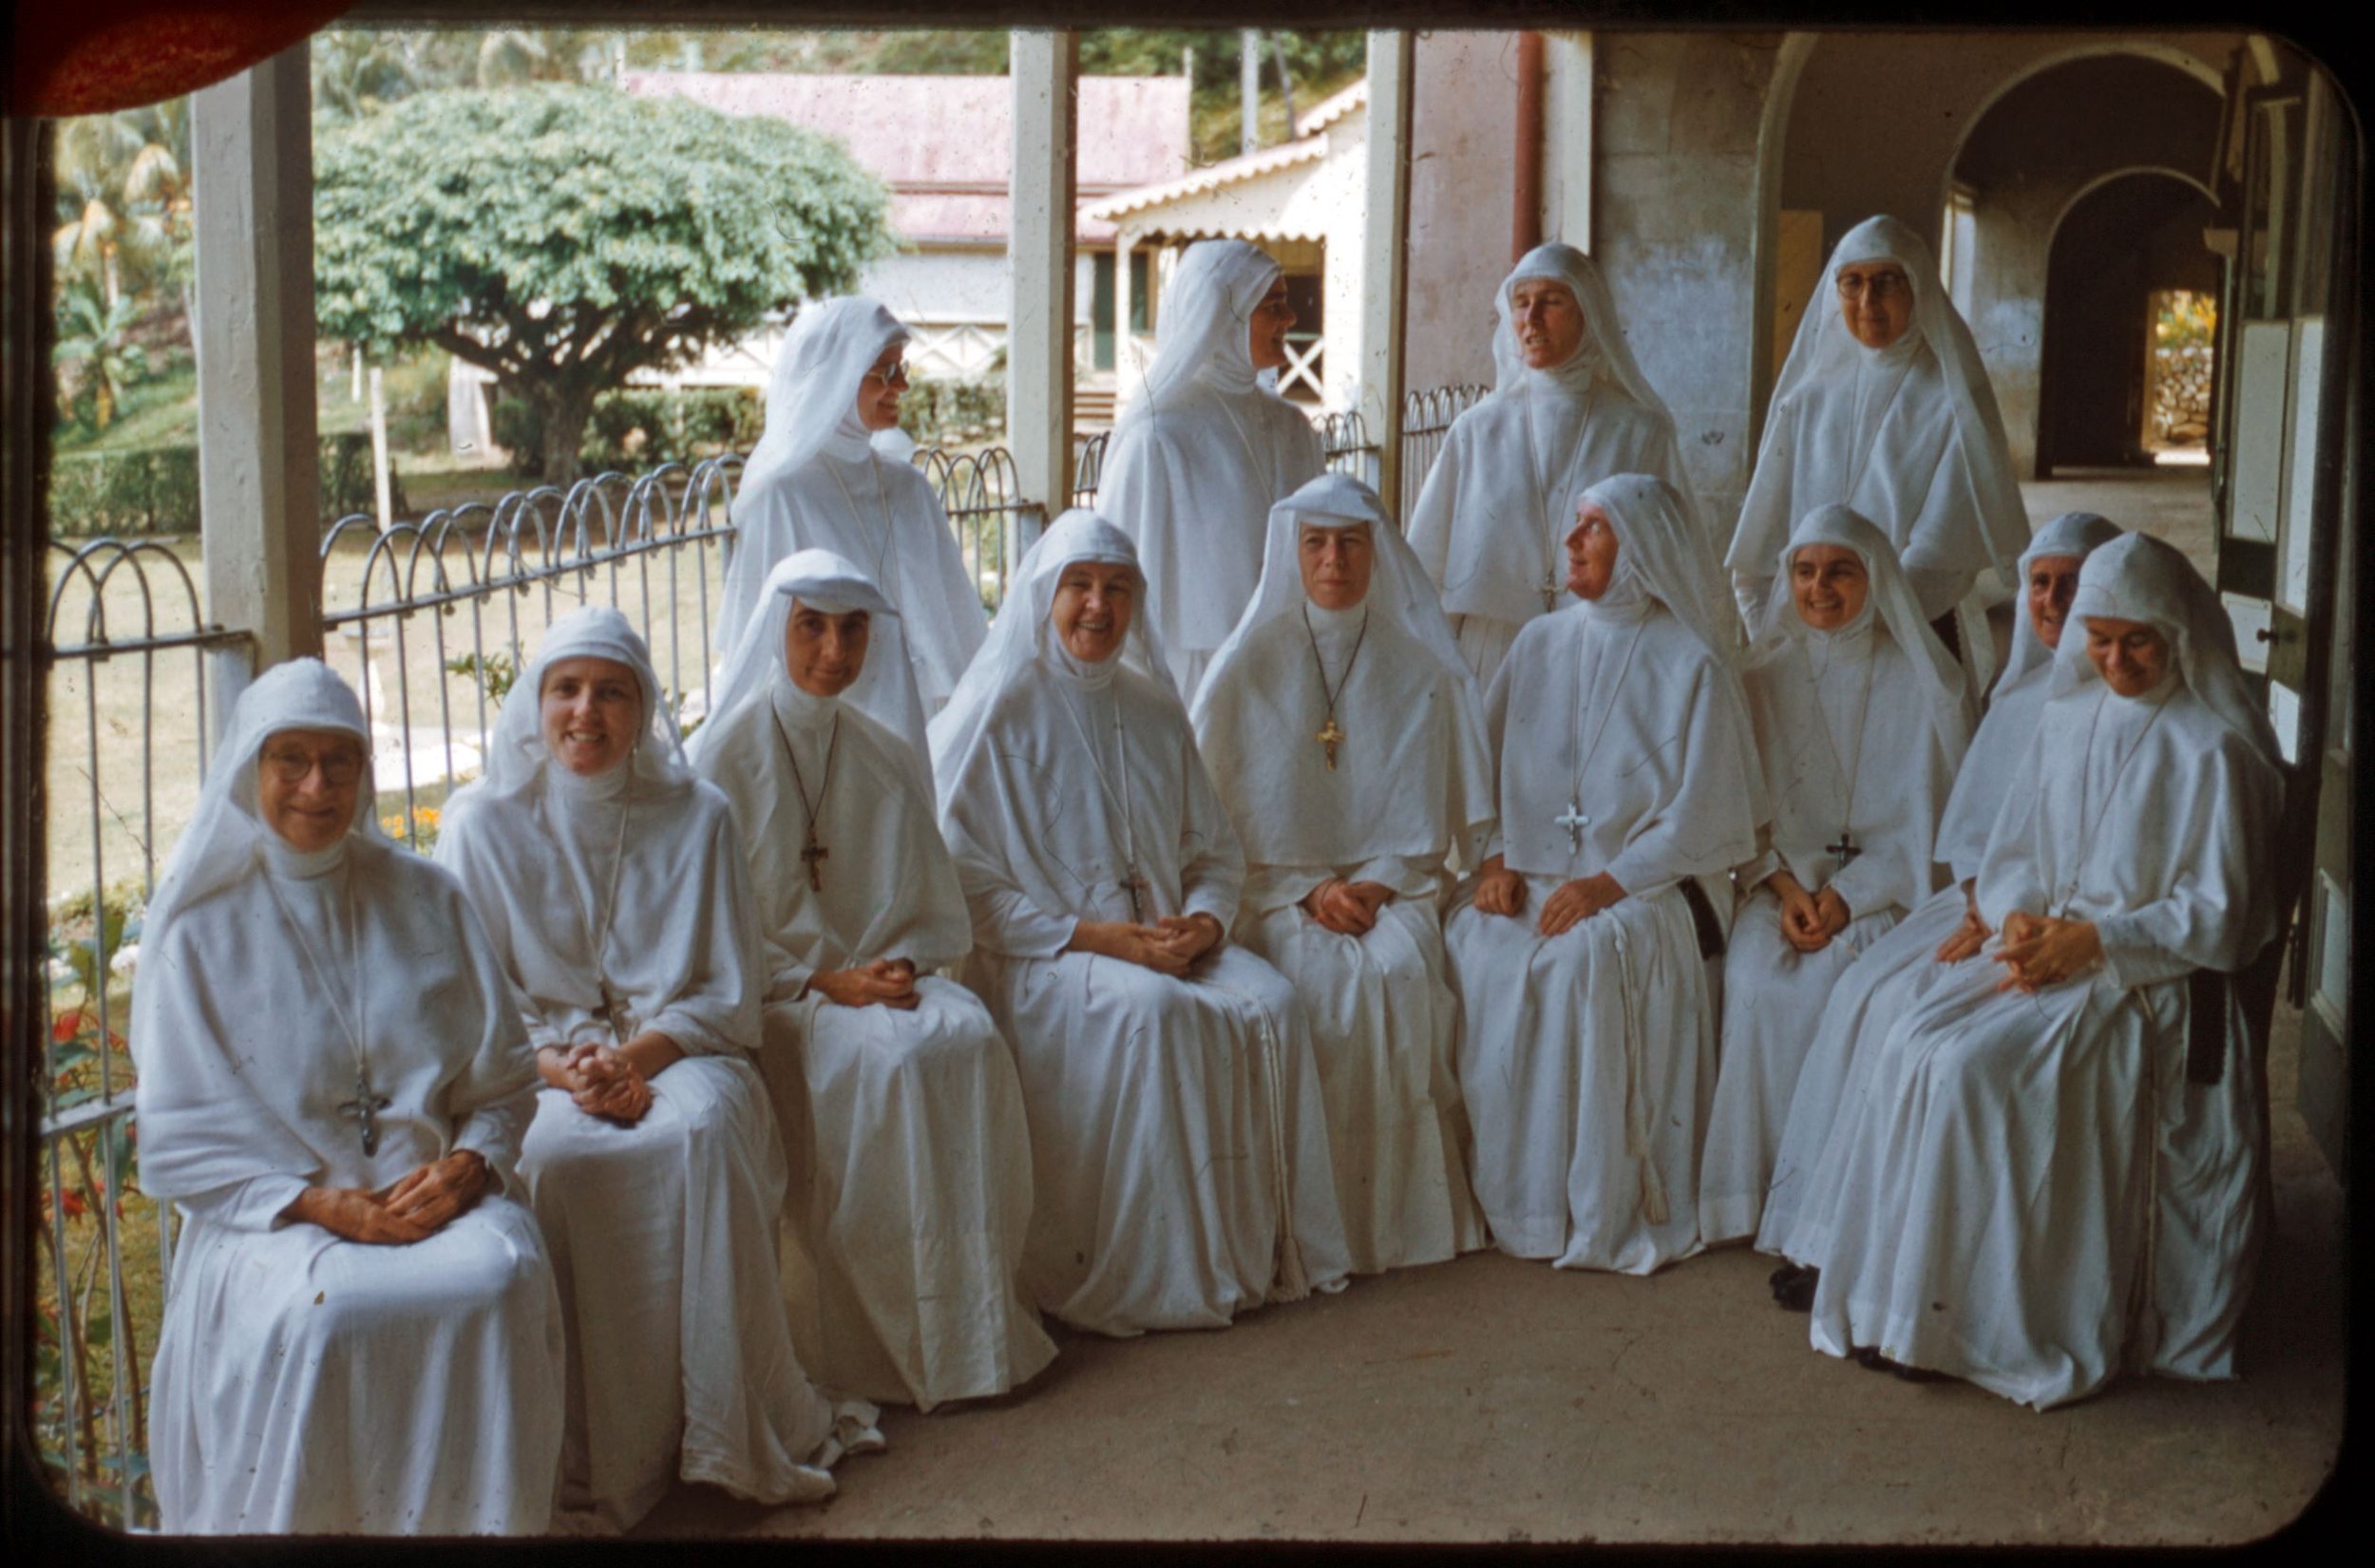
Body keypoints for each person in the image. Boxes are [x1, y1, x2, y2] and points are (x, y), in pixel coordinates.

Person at [1802, 534, 2282, 1406]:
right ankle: (1907, 1312)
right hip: (2047, 958)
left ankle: (1996, 1325)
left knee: (1971, 1071)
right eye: (2097, 640)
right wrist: (2018, 912)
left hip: (2147, 986)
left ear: (2177, 631)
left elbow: (2220, 917)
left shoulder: (2212, 750)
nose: (2113, 659)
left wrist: (2094, 942)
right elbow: (2013, 848)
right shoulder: (2067, 716)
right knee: (1909, 1041)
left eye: (2136, 640)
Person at [435, 607, 876, 1532]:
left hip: (684, 1049)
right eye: (566, 688)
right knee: (558, 1161)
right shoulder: (480, 826)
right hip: (538, 1066)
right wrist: (567, 1071)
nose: (585, 712)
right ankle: (599, 1456)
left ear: (642, 709)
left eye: (611, 691)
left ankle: (719, 1430)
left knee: (706, 1131)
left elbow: (728, 992)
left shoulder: (697, 813)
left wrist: (631, 1059)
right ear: (536, 701)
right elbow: (474, 1008)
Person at [136, 659, 564, 1535]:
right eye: (289, 759)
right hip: (276, 1223)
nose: (315, 785)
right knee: (328, 1313)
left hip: (432, 1198)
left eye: (339, 760)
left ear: (366, 772)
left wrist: (471, 1163)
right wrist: (322, 1203)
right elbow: (180, 1147)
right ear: (249, 767)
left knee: (499, 1271)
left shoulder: (428, 896)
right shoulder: (196, 928)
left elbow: (507, 1082)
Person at [930, 508, 1353, 1333]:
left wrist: (1201, 922)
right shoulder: (1002, 713)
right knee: (1153, 1016)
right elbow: (970, 890)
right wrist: (1104, 938)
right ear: (1045, 597)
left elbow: (1215, 853)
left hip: (1167, 942)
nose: (1098, 606)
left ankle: (1262, 1255)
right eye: (1079, 587)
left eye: (1117, 588)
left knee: (1276, 1003)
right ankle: (1158, 1275)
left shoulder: (1155, 708)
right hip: (1052, 957)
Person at [688, 549, 1058, 1410]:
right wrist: (825, 979)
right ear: (775, 630)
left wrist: (903, 965)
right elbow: (718, 934)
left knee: (963, 1034)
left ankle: (968, 1337)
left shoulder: (887, 750)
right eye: (811, 626)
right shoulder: (724, 762)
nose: (832, 649)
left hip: (882, 979)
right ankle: (874, 1345)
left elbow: (929, 903)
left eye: (852, 629)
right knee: (885, 1067)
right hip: (783, 997)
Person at [1757, 511, 2121, 1296]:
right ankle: (1836, 1240)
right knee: (1862, 994)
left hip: (2049, 930)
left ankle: (1898, 1267)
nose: (2053, 601)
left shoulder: (2132, 715)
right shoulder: (2021, 698)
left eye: (2075, 584)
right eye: (2040, 584)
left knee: (1908, 1017)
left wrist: (1996, 909)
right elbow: (1967, 837)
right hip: (1975, 908)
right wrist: (1978, 900)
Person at [1446, 473, 1764, 1274]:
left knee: (1583, 962)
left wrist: (1603, 885)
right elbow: (1479, 768)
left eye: (1592, 528)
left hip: (1650, 887)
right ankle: (1508, 1202)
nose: (1571, 542)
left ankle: (1585, 1206)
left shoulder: (1689, 661)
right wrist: (1492, 859)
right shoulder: (1539, 641)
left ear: (1641, 545)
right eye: (1575, 526)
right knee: (1477, 947)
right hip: (1535, 874)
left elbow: (1702, 819)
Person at [1189, 472, 1496, 1275]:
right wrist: (1310, 889)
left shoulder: (1416, 666)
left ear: (1377, 554)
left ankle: (1395, 1226)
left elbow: (1431, 823)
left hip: (1388, 887)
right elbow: (1220, 831)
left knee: (1397, 975)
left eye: (1352, 544)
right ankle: (1319, 1225)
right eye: (1317, 544)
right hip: (1276, 892)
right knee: (1319, 986)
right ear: (1292, 554)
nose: (1334, 560)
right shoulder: (1247, 664)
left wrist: (1379, 879)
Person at [1698, 505, 1970, 1246]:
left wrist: (1845, 897)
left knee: (1841, 990)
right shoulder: (1759, 677)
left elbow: (1930, 834)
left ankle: (1823, 1207)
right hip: (1780, 890)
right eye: (1805, 570)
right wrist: (1787, 890)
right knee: (1755, 979)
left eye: (1841, 571)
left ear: (1873, 578)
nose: (1820, 588)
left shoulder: (1922, 686)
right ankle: (1749, 1200)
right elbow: (1742, 818)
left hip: (1886, 895)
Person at [1727, 215, 2030, 701]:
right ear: (1836, 292)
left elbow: (1939, 554)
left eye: (1886, 282)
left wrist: (1852, 626)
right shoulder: (1806, 400)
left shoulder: (1950, 398)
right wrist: (1784, 638)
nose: (1867, 302)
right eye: (1853, 283)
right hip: (1804, 639)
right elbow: (1758, 553)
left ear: (1919, 289)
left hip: (1910, 635)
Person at [1408, 243, 1704, 686]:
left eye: (1551, 301)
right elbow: (1424, 566)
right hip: (1490, 652)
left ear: (1589, 313)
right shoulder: (1475, 430)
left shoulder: (1641, 430)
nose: (1532, 318)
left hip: (1601, 649)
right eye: (1521, 303)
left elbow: (1675, 563)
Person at [716, 294, 988, 724]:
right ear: (835, 378)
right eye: (886, 372)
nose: (903, 387)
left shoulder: (908, 487)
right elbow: (759, 657)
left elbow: (957, 632)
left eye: (903, 369)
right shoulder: (782, 494)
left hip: (929, 723)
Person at [1096, 238, 1325, 703]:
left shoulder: (1293, 426)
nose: (1290, 319)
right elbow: (1117, 574)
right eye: (1274, 305)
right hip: (1191, 676)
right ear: (1224, 317)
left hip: (1283, 665)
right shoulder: (1157, 436)